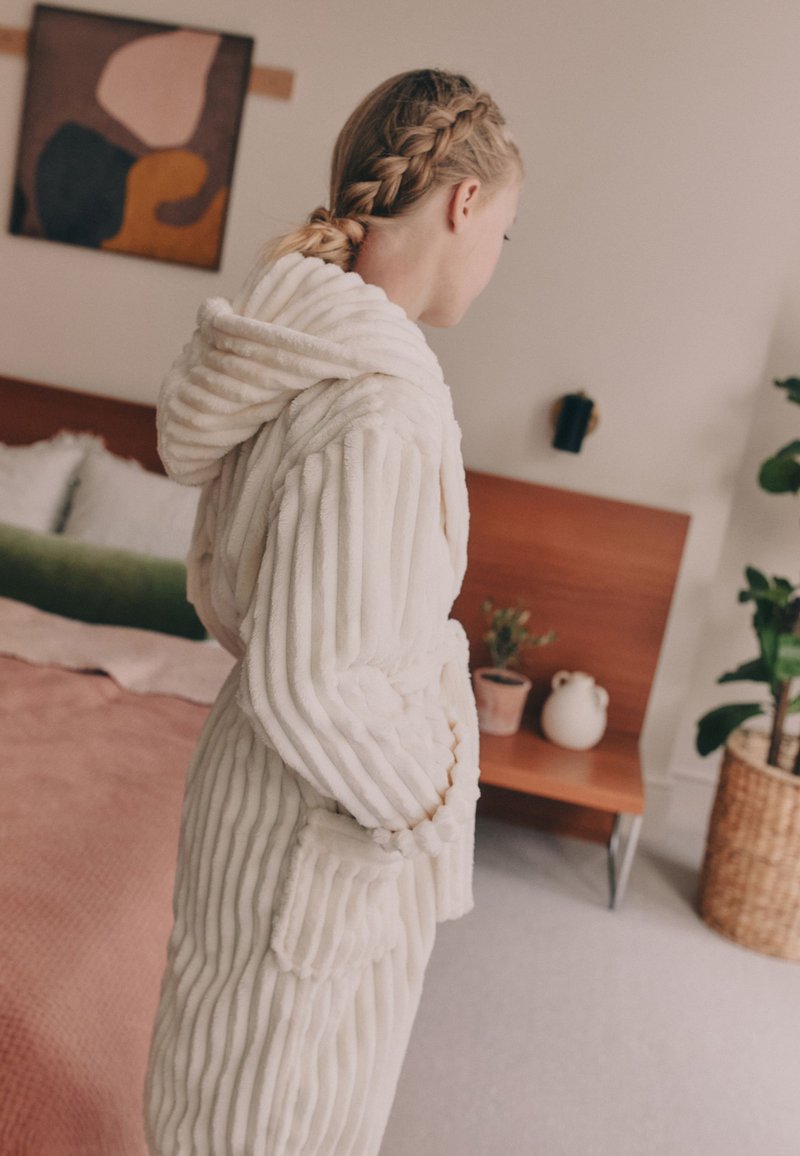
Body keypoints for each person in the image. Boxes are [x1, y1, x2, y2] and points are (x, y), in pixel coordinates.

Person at [144, 67, 522, 1156]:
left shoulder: (300, 360)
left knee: (218, 1091)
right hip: (318, 814)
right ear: (463, 203)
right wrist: (430, 796)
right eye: (504, 234)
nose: (496, 259)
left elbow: (237, 598)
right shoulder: (378, 412)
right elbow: (313, 684)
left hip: (265, 793)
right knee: (271, 1116)